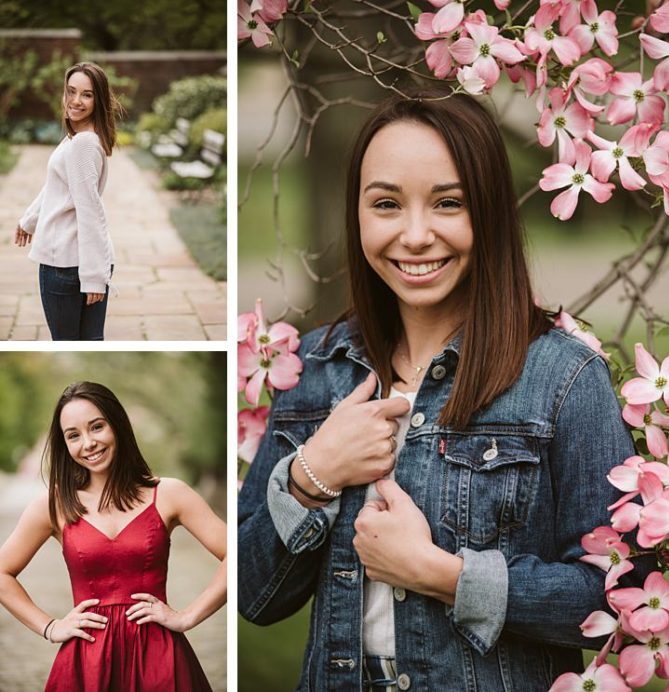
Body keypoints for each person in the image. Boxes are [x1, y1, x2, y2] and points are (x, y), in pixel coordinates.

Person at [237, 89, 637, 690]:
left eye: (448, 203)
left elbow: (616, 595)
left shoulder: (565, 378)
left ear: (490, 213)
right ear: (358, 215)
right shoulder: (314, 372)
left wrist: (443, 575)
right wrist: (310, 474)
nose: (416, 235)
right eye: (387, 205)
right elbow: (254, 595)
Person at [0, 382, 227, 690]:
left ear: (117, 425)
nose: (89, 443)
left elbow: (236, 553)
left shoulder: (170, 494)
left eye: (97, 427)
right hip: (85, 663)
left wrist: (187, 617)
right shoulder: (54, 506)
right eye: (74, 435)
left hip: (159, 659)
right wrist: (50, 627)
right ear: (64, 444)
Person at [15, 62, 120, 340]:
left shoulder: (83, 144)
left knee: (72, 340)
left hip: (67, 265)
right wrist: (30, 220)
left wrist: (94, 276)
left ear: (98, 99)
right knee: (90, 341)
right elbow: (56, 188)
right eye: (71, 91)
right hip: (78, 262)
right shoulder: (78, 139)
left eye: (86, 94)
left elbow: (90, 211)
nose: (76, 101)